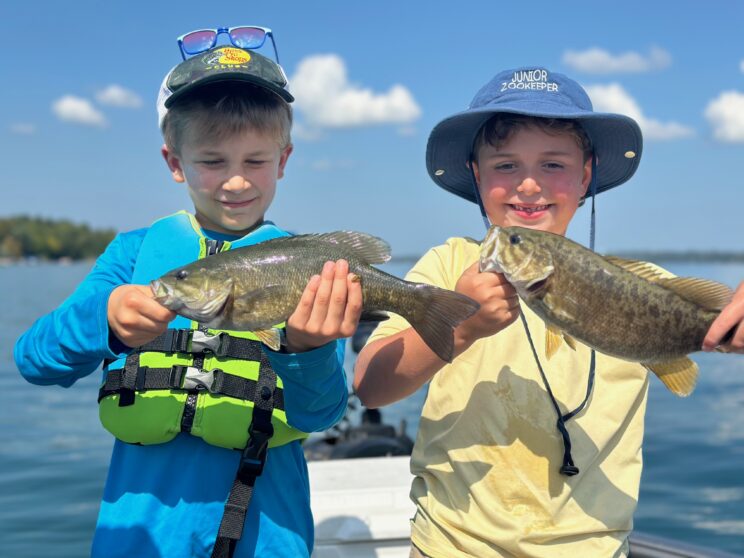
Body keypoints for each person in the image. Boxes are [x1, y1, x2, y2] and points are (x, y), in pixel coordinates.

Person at [353, 66, 742, 558]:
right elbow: (371, 385)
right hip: (453, 546)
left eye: (553, 165)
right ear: (477, 176)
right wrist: (463, 327)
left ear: (586, 177)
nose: (530, 185)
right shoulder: (449, 266)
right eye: (507, 166)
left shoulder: (646, 284)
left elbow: (720, 325)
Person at [14, 36, 360, 558]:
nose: (237, 180)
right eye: (213, 160)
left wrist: (308, 350)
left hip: (270, 532)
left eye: (256, 160)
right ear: (175, 162)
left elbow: (321, 413)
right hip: (142, 536)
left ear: (284, 160)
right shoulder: (132, 256)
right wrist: (102, 321)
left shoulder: (306, 265)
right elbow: (34, 360)